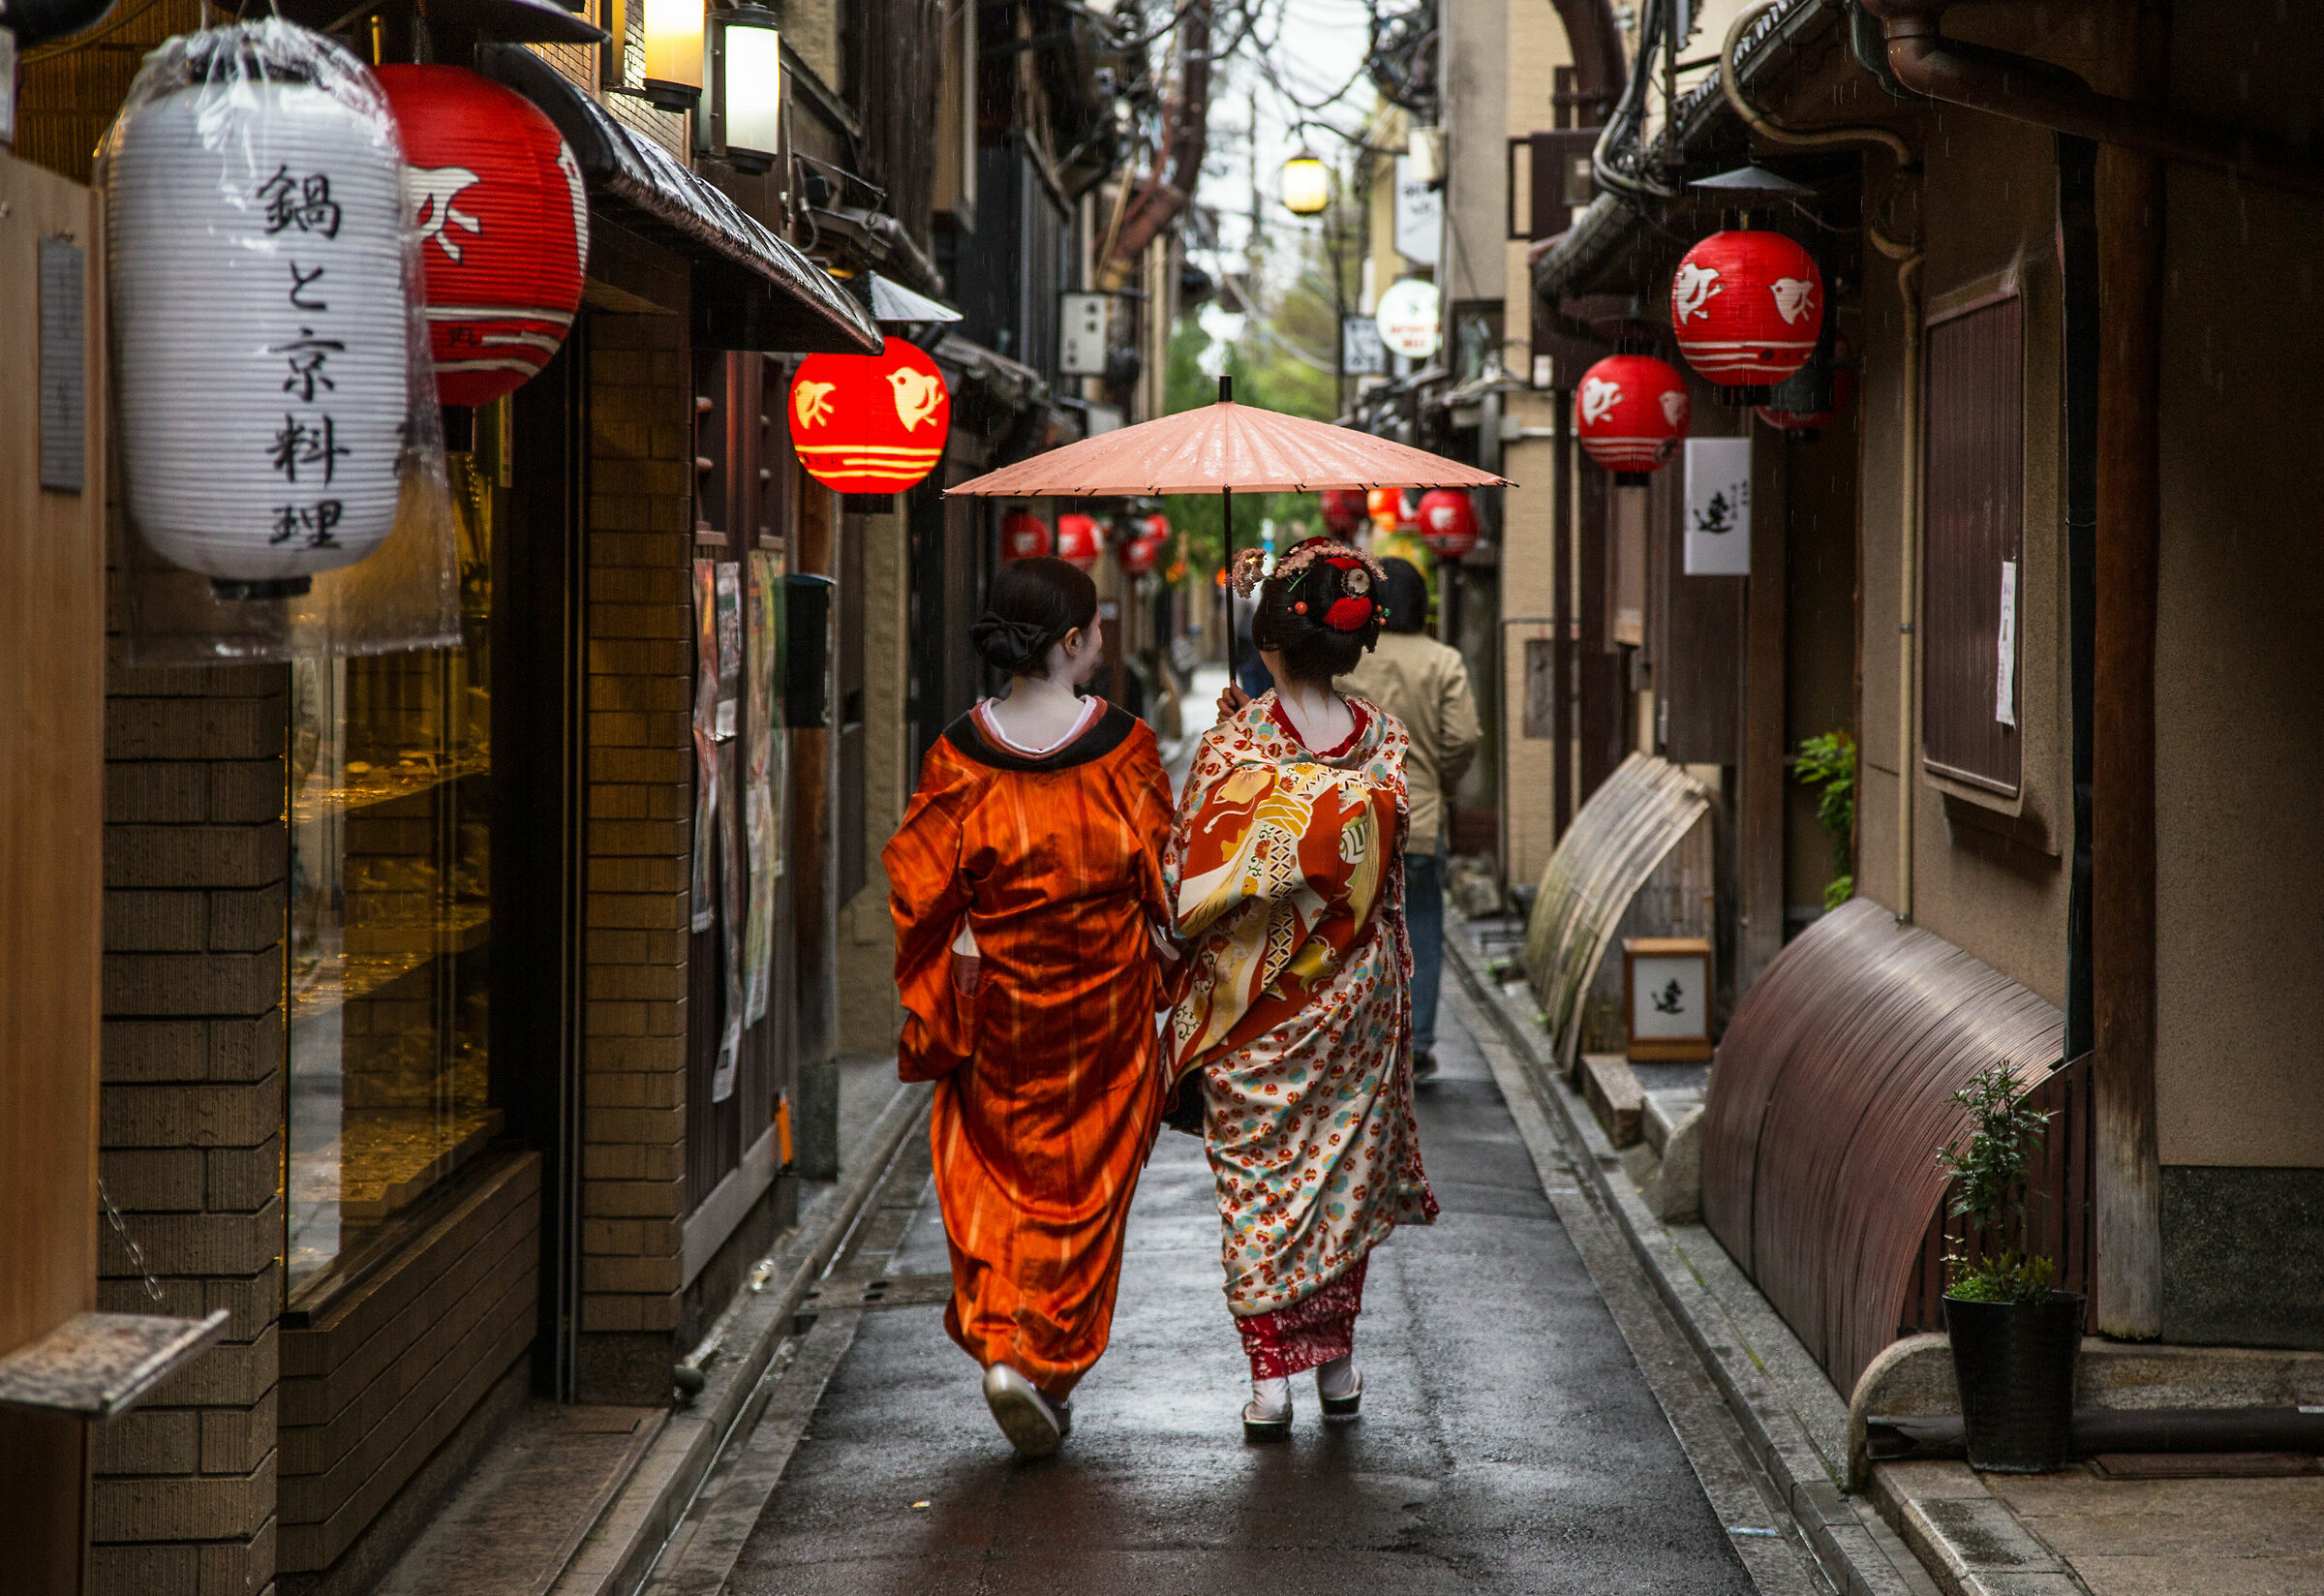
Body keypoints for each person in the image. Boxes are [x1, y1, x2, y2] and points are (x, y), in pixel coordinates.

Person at [883, 557, 1176, 1459]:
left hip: (1003, 1012)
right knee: (1088, 1191)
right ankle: (1041, 1363)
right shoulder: (1124, 748)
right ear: (1078, 640)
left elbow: (920, 889)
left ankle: (1011, 1342)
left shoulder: (958, 752)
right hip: (1106, 1015)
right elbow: (1167, 880)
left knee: (997, 1178)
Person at [1166, 537, 1438, 1442]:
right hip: (1355, 987)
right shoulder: (1384, 741)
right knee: (1338, 1177)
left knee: (1260, 1179)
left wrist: (1243, 769)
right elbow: (1389, 879)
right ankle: (1338, 1367)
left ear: (1270, 639)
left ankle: (1268, 1380)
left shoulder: (1238, 741)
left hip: (1259, 999)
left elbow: (1191, 879)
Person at [1333, 557, 1480, 1079]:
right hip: (1418, 814)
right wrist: (1438, 778)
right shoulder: (1443, 661)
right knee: (1418, 925)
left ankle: (1354, 1038)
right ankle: (1416, 1046)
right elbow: (1462, 738)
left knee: (1351, 932)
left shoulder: (1347, 659)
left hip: (1350, 817)